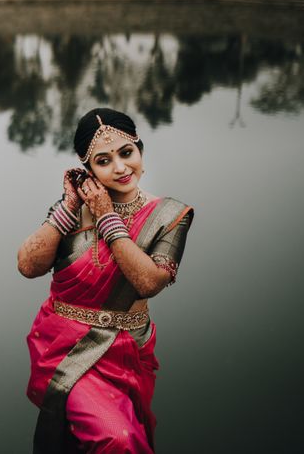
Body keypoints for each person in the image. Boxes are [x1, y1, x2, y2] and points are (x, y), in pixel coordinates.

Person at [17, 108, 194, 453]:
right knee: (119, 438)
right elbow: (27, 265)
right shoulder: (72, 210)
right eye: (103, 160)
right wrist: (68, 207)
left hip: (129, 349)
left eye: (127, 153)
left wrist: (107, 217)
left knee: (129, 432)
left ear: (141, 151)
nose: (120, 168)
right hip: (66, 348)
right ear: (89, 169)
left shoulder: (170, 216)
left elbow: (149, 283)